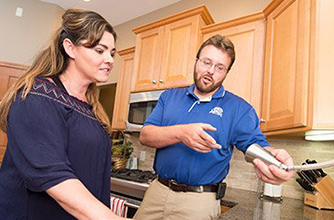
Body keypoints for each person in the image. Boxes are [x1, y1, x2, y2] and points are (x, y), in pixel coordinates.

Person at [134, 34, 295, 220]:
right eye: (206, 62)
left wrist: (273, 159)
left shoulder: (239, 109)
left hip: (199, 202)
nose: (210, 71)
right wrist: (182, 133)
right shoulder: (169, 96)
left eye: (219, 67)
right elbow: (145, 135)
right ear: (196, 62)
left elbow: (255, 143)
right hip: (156, 191)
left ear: (226, 72)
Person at [0, 9, 129, 220]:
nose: (110, 60)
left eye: (112, 53)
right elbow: (53, 176)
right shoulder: (36, 96)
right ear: (70, 48)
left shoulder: (93, 109)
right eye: (99, 50)